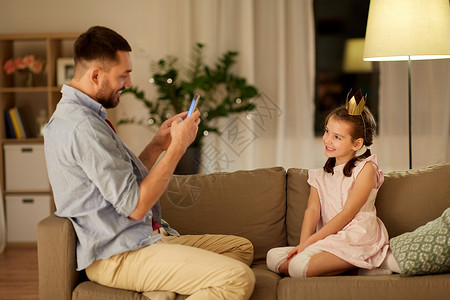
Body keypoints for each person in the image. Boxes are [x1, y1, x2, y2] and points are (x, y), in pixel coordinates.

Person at [44, 26, 255, 300]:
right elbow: (135, 206)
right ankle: (164, 279)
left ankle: (161, 287)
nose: (129, 83)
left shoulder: (85, 117)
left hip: (141, 239)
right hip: (119, 254)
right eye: (124, 74)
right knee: (238, 278)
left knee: (242, 249)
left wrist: (158, 145)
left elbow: (122, 186)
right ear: (96, 75)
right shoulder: (83, 127)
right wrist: (177, 148)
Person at [266, 90, 400, 277]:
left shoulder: (365, 169)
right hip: (329, 239)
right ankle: (357, 267)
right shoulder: (318, 176)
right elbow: (312, 211)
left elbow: (347, 214)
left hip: (358, 236)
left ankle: (367, 259)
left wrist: (307, 246)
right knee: (272, 256)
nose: (327, 139)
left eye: (337, 137)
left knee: (297, 267)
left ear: (356, 143)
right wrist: (303, 245)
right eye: (327, 131)